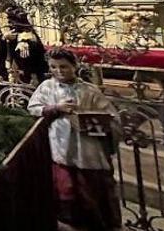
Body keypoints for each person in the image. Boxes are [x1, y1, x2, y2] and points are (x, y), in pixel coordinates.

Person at [28, 48, 122, 231]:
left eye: (63, 66)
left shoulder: (89, 90)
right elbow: (34, 107)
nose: (59, 71)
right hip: (61, 148)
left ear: (75, 66)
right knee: (66, 191)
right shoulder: (47, 87)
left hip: (87, 150)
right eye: (53, 67)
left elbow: (112, 118)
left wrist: (96, 122)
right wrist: (55, 108)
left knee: (91, 193)